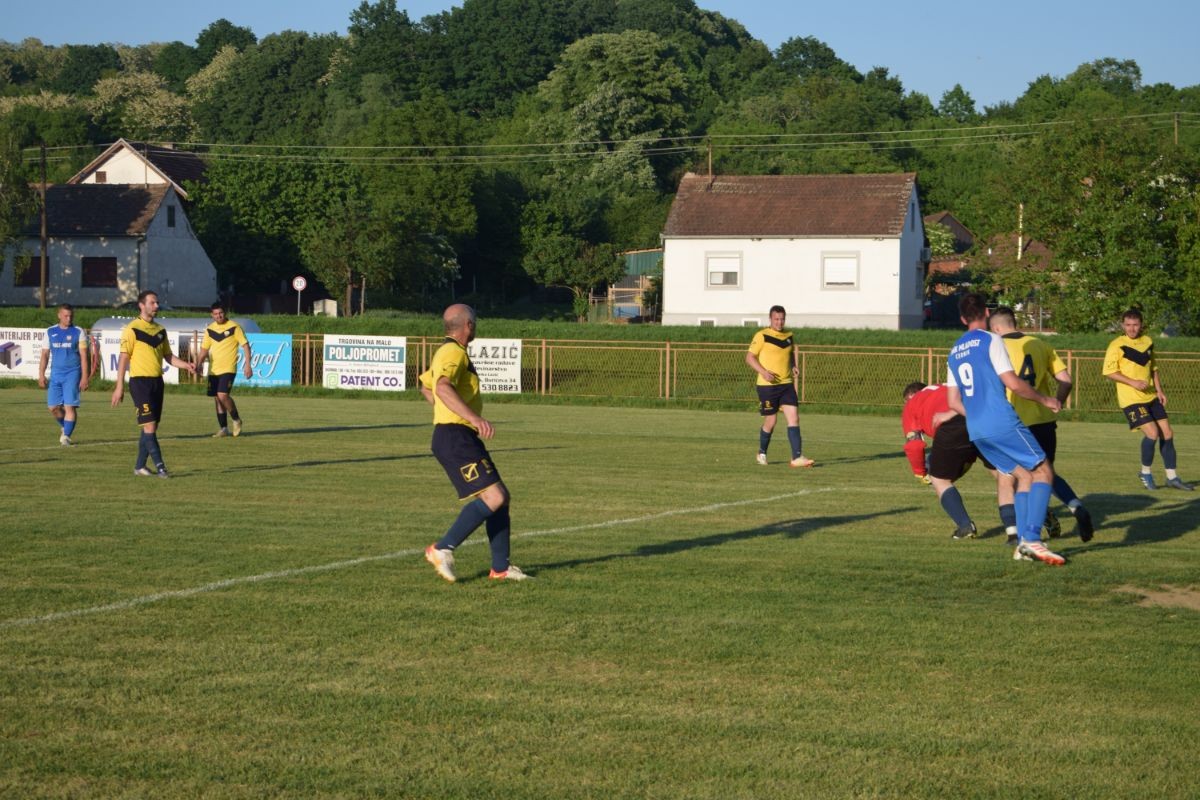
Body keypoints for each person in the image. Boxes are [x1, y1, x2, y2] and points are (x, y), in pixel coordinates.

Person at [945, 293, 1066, 566]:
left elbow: (952, 401)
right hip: (1000, 421)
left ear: (963, 319)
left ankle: (1022, 544)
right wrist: (1045, 399)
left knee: (1023, 476)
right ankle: (1032, 540)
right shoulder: (991, 340)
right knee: (1044, 472)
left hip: (976, 429)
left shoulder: (954, 350)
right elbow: (1012, 383)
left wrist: (978, 416)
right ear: (986, 314)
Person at [418, 304, 529, 583]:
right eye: (475, 322)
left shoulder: (447, 351)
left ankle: (500, 569)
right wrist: (472, 417)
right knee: (494, 498)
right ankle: (442, 548)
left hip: (458, 435)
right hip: (455, 437)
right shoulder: (453, 352)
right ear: (468, 325)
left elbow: (426, 386)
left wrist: (448, 411)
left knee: (501, 498)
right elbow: (441, 386)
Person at [988, 306, 1095, 542]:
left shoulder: (996, 347)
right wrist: (1057, 401)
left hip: (1015, 423)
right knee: (1046, 473)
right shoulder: (1040, 344)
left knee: (1016, 478)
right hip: (1044, 421)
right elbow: (1066, 380)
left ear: (995, 328)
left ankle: (1023, 534)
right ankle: (1076, 506)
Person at [110, 290, 197, 478]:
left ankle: (140, 466)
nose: (156, 306)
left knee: (151, 427)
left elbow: (168, 356)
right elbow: (124, 358)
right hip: (140, 383)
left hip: (157, 382)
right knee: (149, 426)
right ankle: (161, 467)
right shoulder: (132, 329)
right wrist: (119, 386)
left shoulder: (160, 330)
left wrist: (186, 365)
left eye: (157, 303)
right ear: (141, 305)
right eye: (152, 303)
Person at [1103, 308, 1191, 491]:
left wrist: (1159, 390)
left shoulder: (1148, 342)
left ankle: (1172, 477)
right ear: (1123, 325)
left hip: (1151, 397)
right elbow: (1109, 372)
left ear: (1141, 325)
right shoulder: (1116, 345)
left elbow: (1153, 368)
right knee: (1152, 433)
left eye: (1135, 325)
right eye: (1128, 325)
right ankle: (1145, 473)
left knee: (1168, 434)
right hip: (1131, 399)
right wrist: (1132, 382)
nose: (1132, 328)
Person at [901, 381, 990, 540]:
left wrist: (920, 473)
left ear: (912, 396)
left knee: (939, 479)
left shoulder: (913, 403)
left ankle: (965, 526)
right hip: (981, 416)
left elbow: (914, 445)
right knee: (1004, 474)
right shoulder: (945, 387)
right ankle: (1022, 524)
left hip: (952, 427)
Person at [745, 305, 813, 468]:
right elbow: (749, 357)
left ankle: (796, 457)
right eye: (776, 319)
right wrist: (763, 372)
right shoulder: (762, 335)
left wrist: (793, 365)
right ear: (770, 319)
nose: (779, 322)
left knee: (794, 417)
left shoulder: (789, 336)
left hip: (786, 384)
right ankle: (762, 452)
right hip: (767, 386)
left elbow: (789, 353)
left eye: (782, 319)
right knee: (771, 420)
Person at [194, 301, 252, 438]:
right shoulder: (210, 329)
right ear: (211, 315)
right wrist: (198, 364)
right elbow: (204, 350)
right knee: (217, 398)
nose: (218, 316)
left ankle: (236, 419)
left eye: (220, 313)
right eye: (215, 314)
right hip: (214, 370)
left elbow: (245, 345)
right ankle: (223, 429)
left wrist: (248, 365)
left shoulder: (234, 327)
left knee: (222, 395)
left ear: (225, 313)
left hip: (228, 368)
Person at [38, 303, 89, 446]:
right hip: (56, 374)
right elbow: (45, 355)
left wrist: (85, 377)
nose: (69, 318)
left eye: (71, 316)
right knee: (53, 408)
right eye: (66, 316)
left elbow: (84, 356)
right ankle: (65, 426)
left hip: (73, 373)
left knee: (69, 407)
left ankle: (66, 436)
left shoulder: (78, 331)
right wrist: (41, 374)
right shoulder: (50, 332)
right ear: (59, 315)